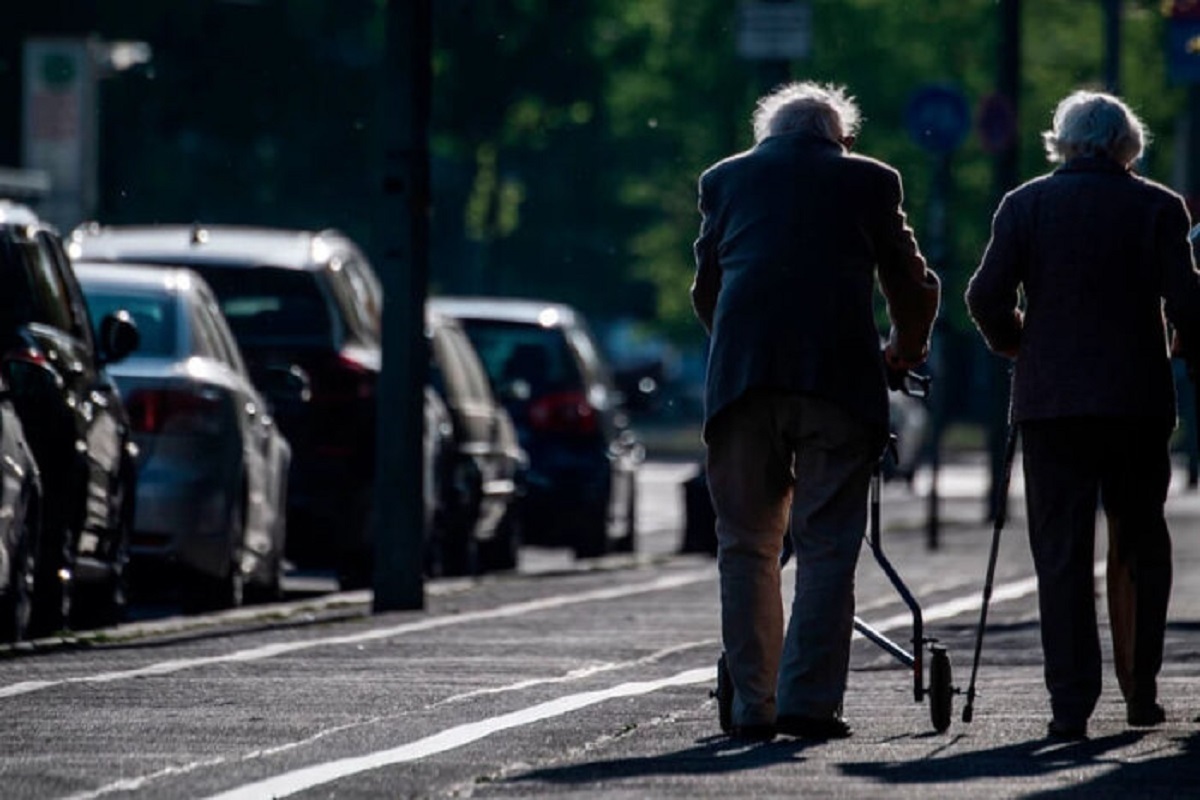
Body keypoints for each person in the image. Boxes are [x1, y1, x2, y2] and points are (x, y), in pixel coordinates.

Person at [692, 81, 940, 742]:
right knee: (828, 545)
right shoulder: (871, 181)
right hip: (838, 382)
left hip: (742, 385)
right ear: (840, 137)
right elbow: (909, 285)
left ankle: (753, 706)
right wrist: (904, 350)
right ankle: (809, 704)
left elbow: (707, 288)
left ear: (767, 134)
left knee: (746, 545)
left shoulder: (725, 180)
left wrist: (738, 351)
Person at [966, 89, 1200, 741]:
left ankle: (1070, 702)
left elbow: (984, 294)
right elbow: (1188, 302)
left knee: (1062, 551)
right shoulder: (1158, 208)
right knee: (1139, 543)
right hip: (1135, 402)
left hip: (1052, 404)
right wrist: (1188, 346)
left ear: (1062, 142)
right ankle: (1140, 691)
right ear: (1129, 146)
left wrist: (1019, 341)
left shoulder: (1026, 205)